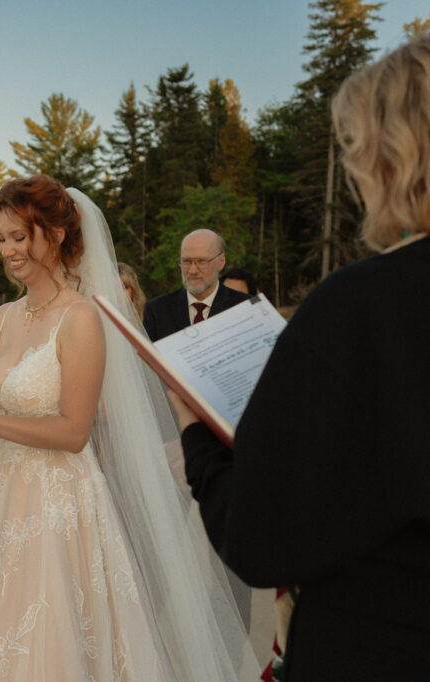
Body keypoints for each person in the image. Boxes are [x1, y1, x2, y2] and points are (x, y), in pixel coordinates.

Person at [0, 175, 257, 680]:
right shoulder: (2, 317)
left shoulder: (82, 318)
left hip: (56, 502)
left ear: (58, 234)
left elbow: (73, 432)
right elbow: (1, 415)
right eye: (2, 239)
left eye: (20, 237)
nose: (9, 251)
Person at [170, 34, 430, 680]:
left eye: (355, 150)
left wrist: (196, 437)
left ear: (393, 158)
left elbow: (260, 540)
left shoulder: (359, 309)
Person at [142, 229, 250, 341]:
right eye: (186, 261)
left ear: (221, 261)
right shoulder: (156, 310)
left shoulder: (246, 308)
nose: (193, 271)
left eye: (201, 261)